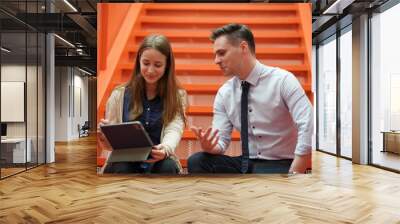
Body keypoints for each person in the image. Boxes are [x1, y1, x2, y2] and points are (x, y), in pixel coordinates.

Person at [187, 24, 313, 174]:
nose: (216, 60)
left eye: (221, 53)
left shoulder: (283, 80)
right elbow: (220, 144)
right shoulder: (224, 93)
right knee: (197, 161)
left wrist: (298, 168)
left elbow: (307, 120)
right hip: (246, 163)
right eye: (215, 55)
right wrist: (210, 147)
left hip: (281, 162)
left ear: (243, 47)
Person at [99, 34, 187, 174]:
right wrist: (105, 138)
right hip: (125, 160)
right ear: (139, 62)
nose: (150, 70)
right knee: (121, 167)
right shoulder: (119, 95)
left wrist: (165, 148)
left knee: (167, 167)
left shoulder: (177, 96)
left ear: (167, 66)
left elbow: (174, 128)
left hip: (158, 160)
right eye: (146, 63)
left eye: (157, 65)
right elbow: (110, 145)